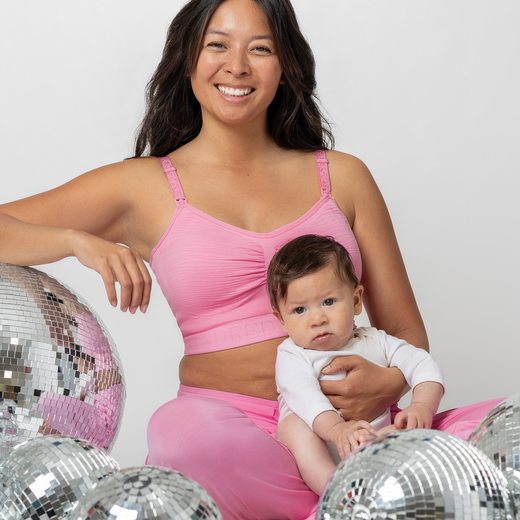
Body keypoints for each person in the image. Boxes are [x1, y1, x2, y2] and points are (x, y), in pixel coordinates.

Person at [0, 0, 503, 518]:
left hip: (357, 430)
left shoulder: (344, 176)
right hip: (231, 434)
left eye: (259, 48)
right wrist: (74, 240)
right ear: (187, 60)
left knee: (500, 439)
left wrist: (393, 384)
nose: (236, 66)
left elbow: (404, 330)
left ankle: (358, 493)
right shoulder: (143, 186)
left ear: (285, 66)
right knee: (184, 436)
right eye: (217, 45)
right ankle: (354, 502)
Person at [267, 234, 445, 495]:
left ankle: (380, 483)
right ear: (281, 319)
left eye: (328, 302)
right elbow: (304, 397)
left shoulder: (377, 341)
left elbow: (424, 366)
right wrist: (337, 429)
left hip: (370, 437)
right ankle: (334, 489)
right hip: (318, 438)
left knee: (403, 433)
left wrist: (421, 406)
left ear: (355, 300)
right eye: (299, 310)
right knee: (294, 427)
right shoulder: (292, 355)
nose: (317, 319)